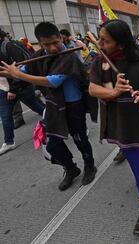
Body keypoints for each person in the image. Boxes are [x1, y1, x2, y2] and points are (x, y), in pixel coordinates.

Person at [88, 19, 139, 235]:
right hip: (117, 121)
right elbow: (93, 89)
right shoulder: (101, 61)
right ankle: (137, 170)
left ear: (121, 43)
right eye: (100, 38)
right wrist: (114, 92)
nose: (99, 43)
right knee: (132, 157)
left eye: (105, 40)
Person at [0, 22, 97, 190]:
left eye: (55, 42)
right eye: (47, 44)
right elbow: (23, 69)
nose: (52, 48)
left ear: (61, 38)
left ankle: (90, 165)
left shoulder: (69, 57)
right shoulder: (39, 55)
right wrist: (12, 71)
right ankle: (71, 168)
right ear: (39, 43)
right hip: (53, 105)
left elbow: (52, 82)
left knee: (79, 138)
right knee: (53, 144)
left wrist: (18, 74)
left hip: (73, 105)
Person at [0, 29, 45, 154]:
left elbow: (20, 68)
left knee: (39, 108)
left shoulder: (9, 46)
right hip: (4, 88)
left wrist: (13, 89)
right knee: (5, 115)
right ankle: (9, 142)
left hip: (20, 87)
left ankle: (63, 125)